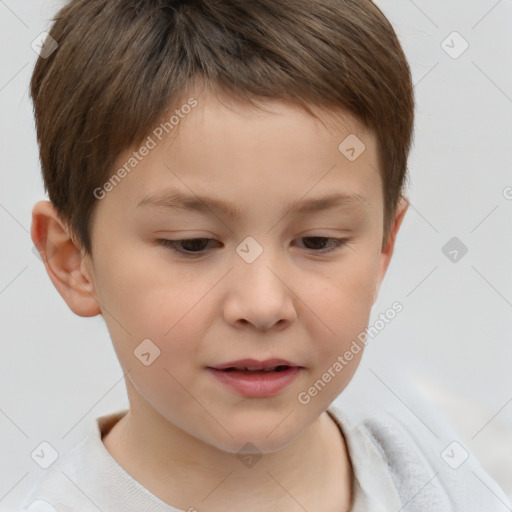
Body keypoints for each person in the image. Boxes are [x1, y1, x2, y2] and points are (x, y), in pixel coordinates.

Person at [23, 0, 511, 510]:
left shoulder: (466, 477)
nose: (262, 304)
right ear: (72, 260)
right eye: (193, 244)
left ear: (384, 246)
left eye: (319, 242)